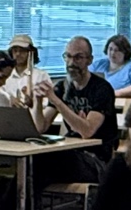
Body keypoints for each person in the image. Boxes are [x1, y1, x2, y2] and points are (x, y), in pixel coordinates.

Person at [32, 36, 118, 185]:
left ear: (89, 60)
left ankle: (21, 198)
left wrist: (57, 101)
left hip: (96, 158)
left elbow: (87, 131)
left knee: (41, 165)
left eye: (78, 57)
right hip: (71, 151)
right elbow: (41, 127)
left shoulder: (102, 89)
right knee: (32, 163)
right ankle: (18, 199)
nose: (72, 63)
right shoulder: (61, 87)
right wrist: (38, 101)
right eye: (68, 57)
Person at [93, 33, 131, 99]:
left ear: (125, 52)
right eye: (110, 49)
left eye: (116, 50)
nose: (112, 53)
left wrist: (112, 93)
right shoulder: (99, 64)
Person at [1, 34, 53, 106]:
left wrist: (34, 101)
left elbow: (49, 101)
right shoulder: (4, 75)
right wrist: (9, 99)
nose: (18, 54)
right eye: (15, 51)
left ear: (31, 53)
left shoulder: (41, 75)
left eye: (22, 51)